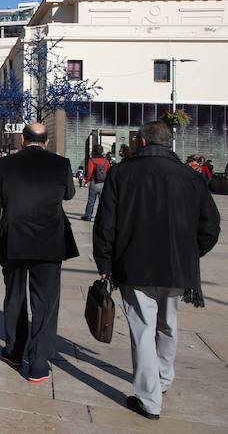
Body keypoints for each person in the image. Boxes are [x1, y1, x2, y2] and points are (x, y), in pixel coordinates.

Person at [93, 121, 221, 420]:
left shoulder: (123, 173)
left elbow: (106, 224)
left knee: (143, 328)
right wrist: (190, 252)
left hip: (134, 263)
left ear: (142, 142)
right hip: (177, 266)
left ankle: (149, 399)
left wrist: (105, 263)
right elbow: (211, 226)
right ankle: (162, 379)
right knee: (168, 324)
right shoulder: (191, 176)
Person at [0, 123, 76, 384]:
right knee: (45, 302)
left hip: (13, 239)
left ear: (23, 139)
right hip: (49, 241)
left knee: (14, 297)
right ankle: (38, 363)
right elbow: (68, 194)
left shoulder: (5, 165)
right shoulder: (62, 164)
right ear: (46, 141)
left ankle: (13, 351)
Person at [81, 145, 110, 221]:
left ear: (94, 151)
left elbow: (90, 172)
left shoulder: (92, 160)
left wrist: (87, 181)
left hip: (94, 182)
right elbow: (108, 171)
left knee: (91, 200)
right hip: (103, 183)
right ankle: (103, 217)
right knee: (102, 201)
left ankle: (88, 216)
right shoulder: (106, 161)